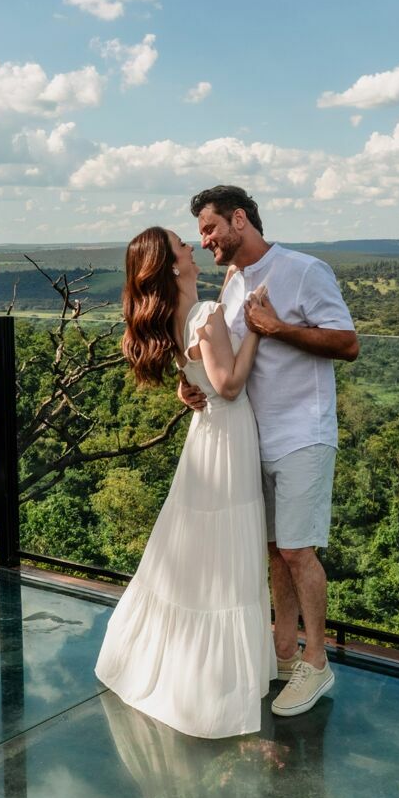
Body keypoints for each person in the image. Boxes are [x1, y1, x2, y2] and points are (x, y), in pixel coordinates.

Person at [184, 185, 358, 718]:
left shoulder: (304, 269)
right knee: (275, 549)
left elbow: (348, 343)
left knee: (299, 550)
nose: (207, 241)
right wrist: (193, 385)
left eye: (211, 229)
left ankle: (317, 662)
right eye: (201, 235)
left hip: (304, 431)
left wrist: (279, 327)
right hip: (254, 435)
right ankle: (283, 653)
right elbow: (231, 359)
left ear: (240, 220)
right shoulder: (234, 281)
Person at [94, 227, 271, 739]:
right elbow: (231, 386)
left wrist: (186, 385)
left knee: (203, 551)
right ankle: (213, 683)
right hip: (228, 436)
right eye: (182, 245)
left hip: (206, 437)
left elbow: (197, 374)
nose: (192, 249)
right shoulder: (203, 314)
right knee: (224, 550)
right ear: (173, 266)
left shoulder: (174, 318)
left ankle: (197, 668)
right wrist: (258, 326)